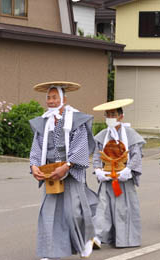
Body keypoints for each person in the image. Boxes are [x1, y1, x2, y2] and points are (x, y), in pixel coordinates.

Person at [29, 81, 99, 260]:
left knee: (73, 213)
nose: (51, 101)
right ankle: (49, 252)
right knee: (48, 213)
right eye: (49, 98)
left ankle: (85, 240)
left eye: (55, 97)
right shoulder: (44, 122)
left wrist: (67, 165)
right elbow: (36, 148)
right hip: (50, 173)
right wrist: (34, 166)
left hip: (71, 172)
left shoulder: (76, 120)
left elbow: (81, 146)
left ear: (64, 99)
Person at [92, 99, 145, 247]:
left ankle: (125, 239)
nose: (110, 117)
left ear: (121, 116)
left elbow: (136, 154)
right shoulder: (102, 135)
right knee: (102, 208)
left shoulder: (130, 134)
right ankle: (97, 236)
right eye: (107, 114)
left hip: (123, 179)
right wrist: (97, 170)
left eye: (113, 114)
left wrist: (128, 170)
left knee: (123, 208)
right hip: (107, 176)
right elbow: (97, 155)